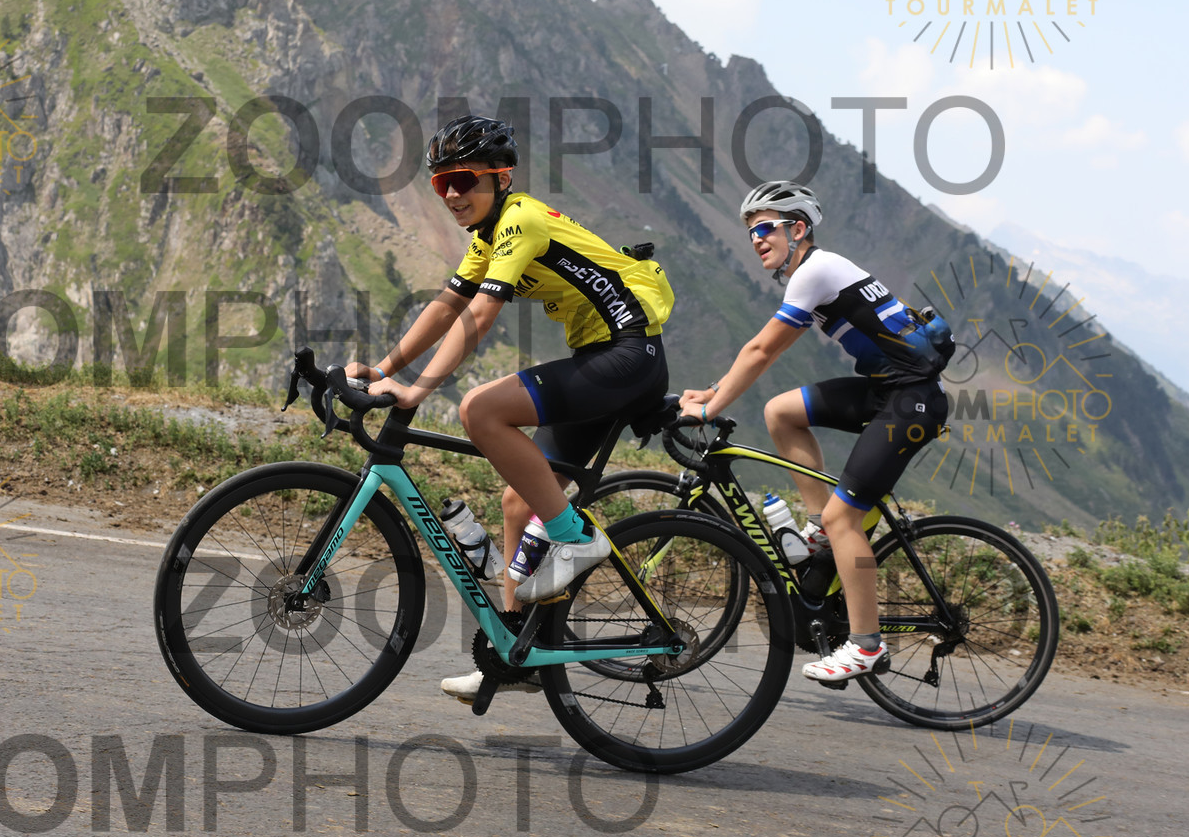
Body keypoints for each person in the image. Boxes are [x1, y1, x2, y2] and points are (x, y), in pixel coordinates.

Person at [349, 115, 674, 702]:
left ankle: (575, 537)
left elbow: (480, 315)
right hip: (604, 358)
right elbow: (447, 305)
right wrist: (384, 369)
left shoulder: (521, 219)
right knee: (519, 501)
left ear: (500, 178)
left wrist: (418, 389)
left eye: (463, 180)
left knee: (480, 410)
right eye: (440, 183)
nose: (451, 194)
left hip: (628, 356)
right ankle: (516, 654)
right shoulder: (489, 235)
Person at [678, 180, 952, 683]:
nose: (757, 239)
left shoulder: (815, 271)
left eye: (765, 228)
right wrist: (712, 391)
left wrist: (712, 407)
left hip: (910, 403)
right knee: (781, 412)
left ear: (798, 228)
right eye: (751, 232)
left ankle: (866, 644)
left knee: (846, 519)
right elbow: (759, 351)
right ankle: (819, 528)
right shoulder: (819, 270)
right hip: (890, 390)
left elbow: (763, 350)